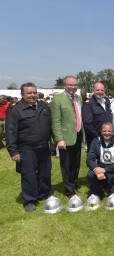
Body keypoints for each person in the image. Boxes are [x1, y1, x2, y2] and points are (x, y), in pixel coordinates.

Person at [6, 82, 52, 211]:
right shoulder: (15, 110)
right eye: (29, 93)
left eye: (34, 92)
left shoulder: (43, 106)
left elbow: (50, 125)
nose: (32, 95)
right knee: (29, 175)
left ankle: (43, 194)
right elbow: (10, 131)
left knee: (45, 172)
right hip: (27, 148)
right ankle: (29, 200)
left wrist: (53, 141)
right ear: (22, 94)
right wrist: (13, 151)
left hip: (44, 146)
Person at [51, 75, 83, 198]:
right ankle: (69, 190)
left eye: (74, 85)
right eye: (70, 85)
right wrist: (59, 139)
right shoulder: (57, 99)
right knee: (66, 165)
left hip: (78, 135)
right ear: (64, 85)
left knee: (76, 163)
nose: (72, 87)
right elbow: (55, 121)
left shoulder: (79, 98)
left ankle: (74, 185)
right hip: (65, 138)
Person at [82, 82, 112, 151]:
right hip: (94, 138)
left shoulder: (107, 101)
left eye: (102, 90)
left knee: (107, 158)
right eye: (97, 90)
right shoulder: (88, 104)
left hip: (108, 136)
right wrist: (97, 137)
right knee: (95, 159)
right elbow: (87, 123)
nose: (100, 92)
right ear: (93, 91)